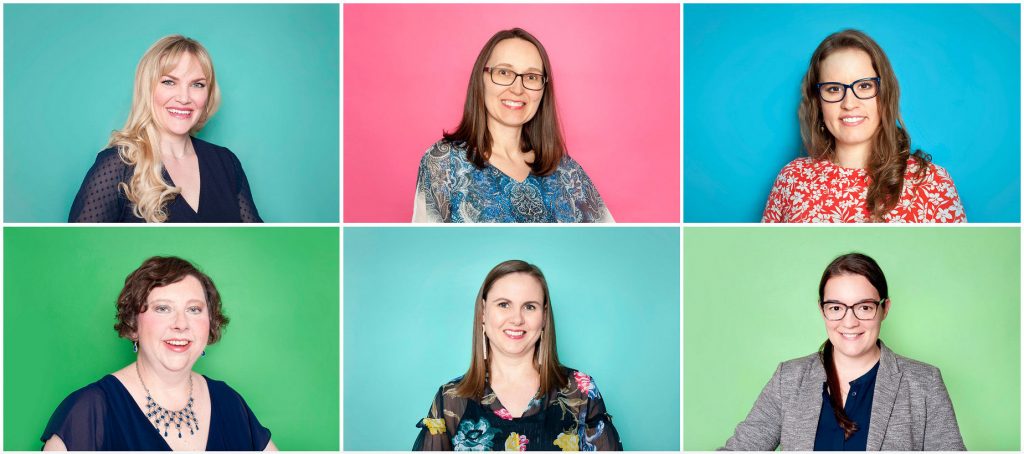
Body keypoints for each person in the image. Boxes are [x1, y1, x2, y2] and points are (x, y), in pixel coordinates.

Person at [722, 253, 964, 450]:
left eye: (864, 307)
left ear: (884, 309)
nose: (849, 322)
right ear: (822, 310)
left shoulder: (924, 382)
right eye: (836, 307)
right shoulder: (789, 379)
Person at [41, 256, 277, 451]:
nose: (181, 324)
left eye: (194, 309)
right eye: (163, 308)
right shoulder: (88, 411)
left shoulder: (230, 402)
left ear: (210, 323)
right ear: (133, 324)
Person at [413, 260, 622, 450]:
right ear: (483, 312)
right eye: (504, 304)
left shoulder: (581, 392)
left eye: (529, 307)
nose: (516, 319)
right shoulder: (450, 399)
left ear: (544, 317)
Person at [762, 30, 965, 223]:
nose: (849, 103)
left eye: (864, 86)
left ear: (884, 93)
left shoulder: (932, 183)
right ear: (818, 102)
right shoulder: (791, 179)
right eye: (833, 89)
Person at [413, 28, 613, 223]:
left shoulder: (568, 172)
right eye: (504, 72)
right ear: (480, 79)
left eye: (532, 77)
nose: (517, 89)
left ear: (543, 90)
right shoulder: (443, 163)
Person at [69, 35, 262, 223]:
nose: (184, 98)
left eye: (197, 84)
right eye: (169, 82)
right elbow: (77, 245)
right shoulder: (116, 166)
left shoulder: (227, 162)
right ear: (147, 89)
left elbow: (257, 241)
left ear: (208, 94)